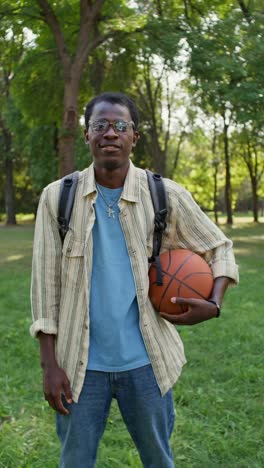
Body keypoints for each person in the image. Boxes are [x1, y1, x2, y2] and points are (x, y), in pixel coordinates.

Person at [30, 92, 238, 468]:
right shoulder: (57, 197)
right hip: (78, 364)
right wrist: (49, 365)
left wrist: (215, 301)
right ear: (87, 135)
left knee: (159, 459)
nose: (111, 133)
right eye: (101, 125)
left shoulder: (164, 194)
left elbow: (218, 247)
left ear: (134, 137)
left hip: (147, 362)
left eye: (121, 125)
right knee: (74, 461)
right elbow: (45, 286)